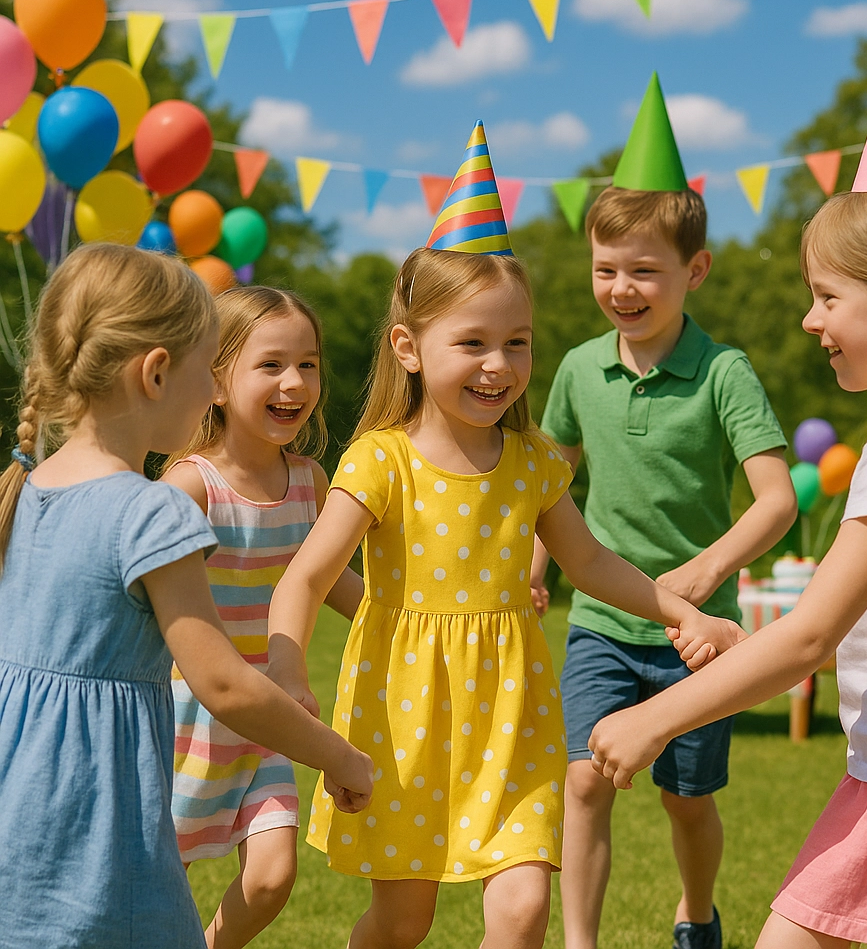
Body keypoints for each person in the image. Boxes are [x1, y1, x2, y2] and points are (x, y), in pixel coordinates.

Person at [266, 122, 743, 949]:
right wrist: (284, 665)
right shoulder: (380, 461)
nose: (499, 365)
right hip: (401, 713)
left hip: (512, 714)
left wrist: (678, 610)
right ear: (410, 349)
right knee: (403, 920)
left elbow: (589, 560)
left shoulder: (529, 464)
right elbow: (306, 578)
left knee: (522, 909)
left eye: (516, 343)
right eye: (473, 343)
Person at [589, 44, 867, 949]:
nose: (808, 321)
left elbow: (816, 634)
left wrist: (653, 717)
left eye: (826, 297)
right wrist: (742, 641)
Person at [0, 245, 373, 949]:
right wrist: (339, 757)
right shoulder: (155, 510)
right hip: (107, 817)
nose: (210, 392)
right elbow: (226, 685)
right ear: (157, 372)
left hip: (21, 809)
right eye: (209, 369)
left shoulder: (27, 489)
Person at [531, 73, 796, 949]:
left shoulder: (726, 373)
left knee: (688, 802)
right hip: (603, 621)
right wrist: (537, 567)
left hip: (701, 638)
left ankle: (698, 914)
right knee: (582, 783)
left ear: (695, 270)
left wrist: (705, 574)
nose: (623, 288)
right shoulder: (573, 369)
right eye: (606, 270)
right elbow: (549, 481)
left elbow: (778, 500)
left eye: (645, 270)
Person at [164, 286, 365, 949]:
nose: (294, 382)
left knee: (273, 878)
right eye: (272, 364)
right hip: (186, 719)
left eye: (308, 364)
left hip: (271, 713)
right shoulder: (189, 486)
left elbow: (329, 581)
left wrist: (416, 619)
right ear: (217, 381)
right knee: (162, 875)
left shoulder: (310, 481)